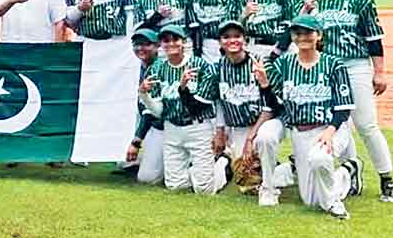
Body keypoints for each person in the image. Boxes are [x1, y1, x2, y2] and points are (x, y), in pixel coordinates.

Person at [300, 0, 393, 202]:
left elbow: (373, 38)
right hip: (327, 67)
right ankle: (351, 169)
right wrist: (306, 11)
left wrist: (379, 72)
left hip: (355, 65)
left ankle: (386, 178)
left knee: (366, 124)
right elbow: (302, 33)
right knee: (337, 123)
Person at [255, 15, 363, 219]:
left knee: (319, 159)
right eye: (297, 33)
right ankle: (346, 172)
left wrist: (330, 131)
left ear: (319, 35)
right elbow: (275, 104)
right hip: (300, 131)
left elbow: (344, 107)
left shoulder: (334, 65)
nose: (302, 37)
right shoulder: (284, 64)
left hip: (330, 127)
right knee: (311, 200)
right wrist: (265, 86)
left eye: (308, 32)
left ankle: (335, 201)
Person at [207, 20, 294, 205]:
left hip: (268, 121)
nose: (232, 40)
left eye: (237, 36)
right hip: (239, 127)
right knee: (246, 181)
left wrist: (250, 138)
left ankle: (291, 169)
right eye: (226, 37)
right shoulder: (217, 68)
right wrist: (220, 132)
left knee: (262, 142)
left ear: (244, 40)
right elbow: (219, 102)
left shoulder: (261, 63)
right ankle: (229, 159)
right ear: (220, 42)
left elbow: (270, 107)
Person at [138, 25, 231, 194]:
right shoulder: (157, 68)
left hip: (197, 126)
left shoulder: (199, 65)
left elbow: (199, 106)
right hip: (172, 128)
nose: (171, 44)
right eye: (166, 40)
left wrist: (183, 88)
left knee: (204, 190)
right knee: (175, 186)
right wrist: (143, 94)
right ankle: (200, 171)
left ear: (184, 42)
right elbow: (159, 111)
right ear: (161, 44)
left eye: (175, 39)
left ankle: (222, 165)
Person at [119, 28, 164, 184]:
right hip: (152, 124)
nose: (140, 48)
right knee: (123, 161)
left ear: (157, 46)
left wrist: (136, 142)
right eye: (137, 44)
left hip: (164, 127)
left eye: (146, 44)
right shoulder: (138, 67)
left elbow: (150, 113)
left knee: (148, 178)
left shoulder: (158, 68)